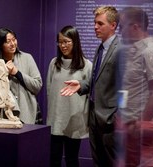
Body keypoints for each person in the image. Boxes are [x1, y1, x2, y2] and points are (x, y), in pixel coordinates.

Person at [60, 6, 120, 167]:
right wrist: (81, 85)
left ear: (113, 25)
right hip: (94, 118)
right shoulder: (100, 48)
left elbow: (126, 87)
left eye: (100, 23)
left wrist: (117, 116)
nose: (95, 27)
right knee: (98, 161)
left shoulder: (120, 50)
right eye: (95, 23)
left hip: (109, 120)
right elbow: (99, 80)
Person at [118, 7, 153, 166]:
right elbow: (126, 86)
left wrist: (142, 123)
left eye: (121, 27)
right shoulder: (132, 52)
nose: (120, 32)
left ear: (135, 27)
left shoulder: (150, 52)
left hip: (140, 128)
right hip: (128, 125)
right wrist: (119, 113)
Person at [47, 25, 92, 167]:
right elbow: (49, 90)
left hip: (74, 119)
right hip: (56, 119)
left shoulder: (86, 65)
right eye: (60, 42)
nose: (63, 45)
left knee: (71, 159)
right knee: (54, 159)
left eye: (66, 41)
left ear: (75, 42)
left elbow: (90, 92)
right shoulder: (54, 63)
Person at [0, 28, 43, 124]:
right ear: (0, 45)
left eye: (14, 39)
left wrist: (17, 73)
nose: (13, 44)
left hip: (28, 112)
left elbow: (37, 85)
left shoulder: (27, 58)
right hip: (6, 115)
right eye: (8, 41)